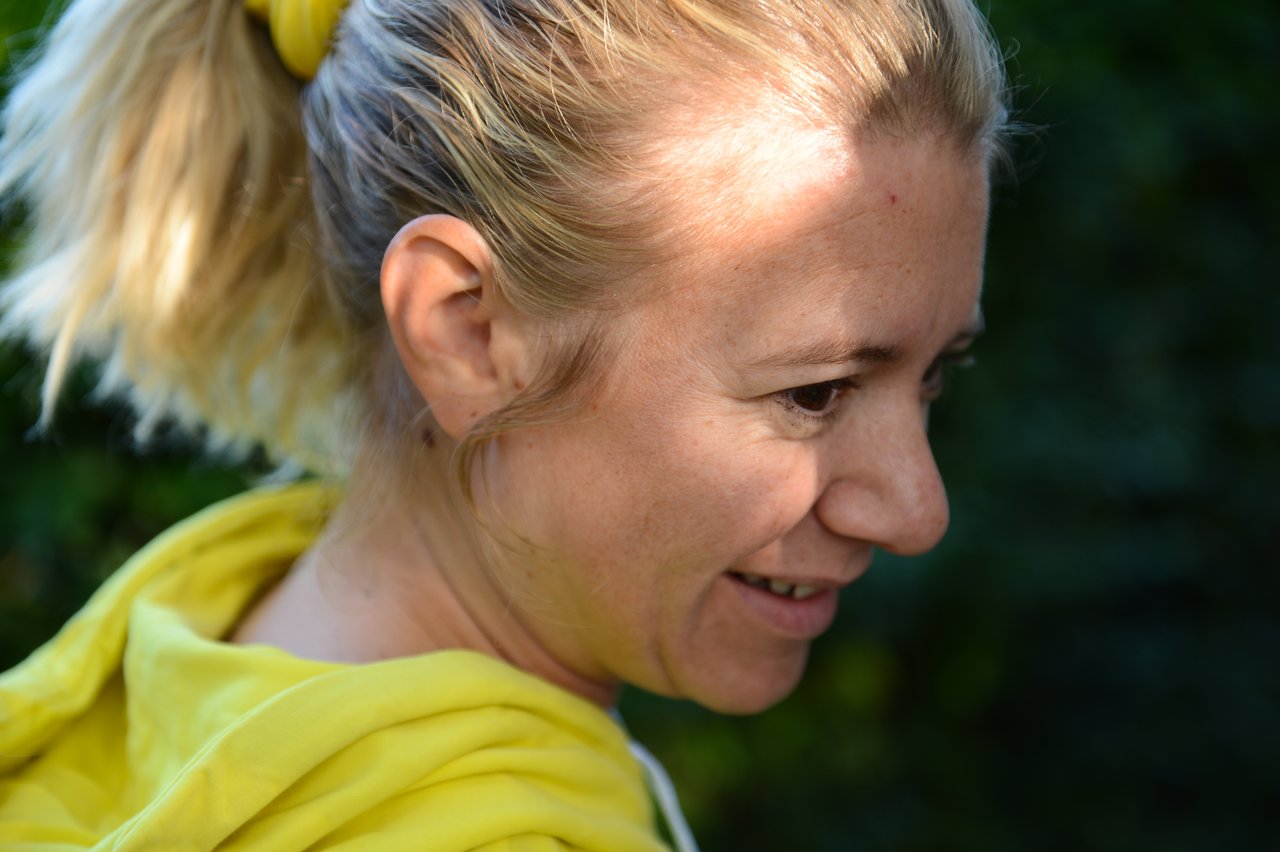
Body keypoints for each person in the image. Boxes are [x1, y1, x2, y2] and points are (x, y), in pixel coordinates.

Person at [0, 0, 1010, 848]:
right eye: (814, 393)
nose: (914, 512)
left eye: (932, 376)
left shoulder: (161, 663)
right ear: (467, 332)